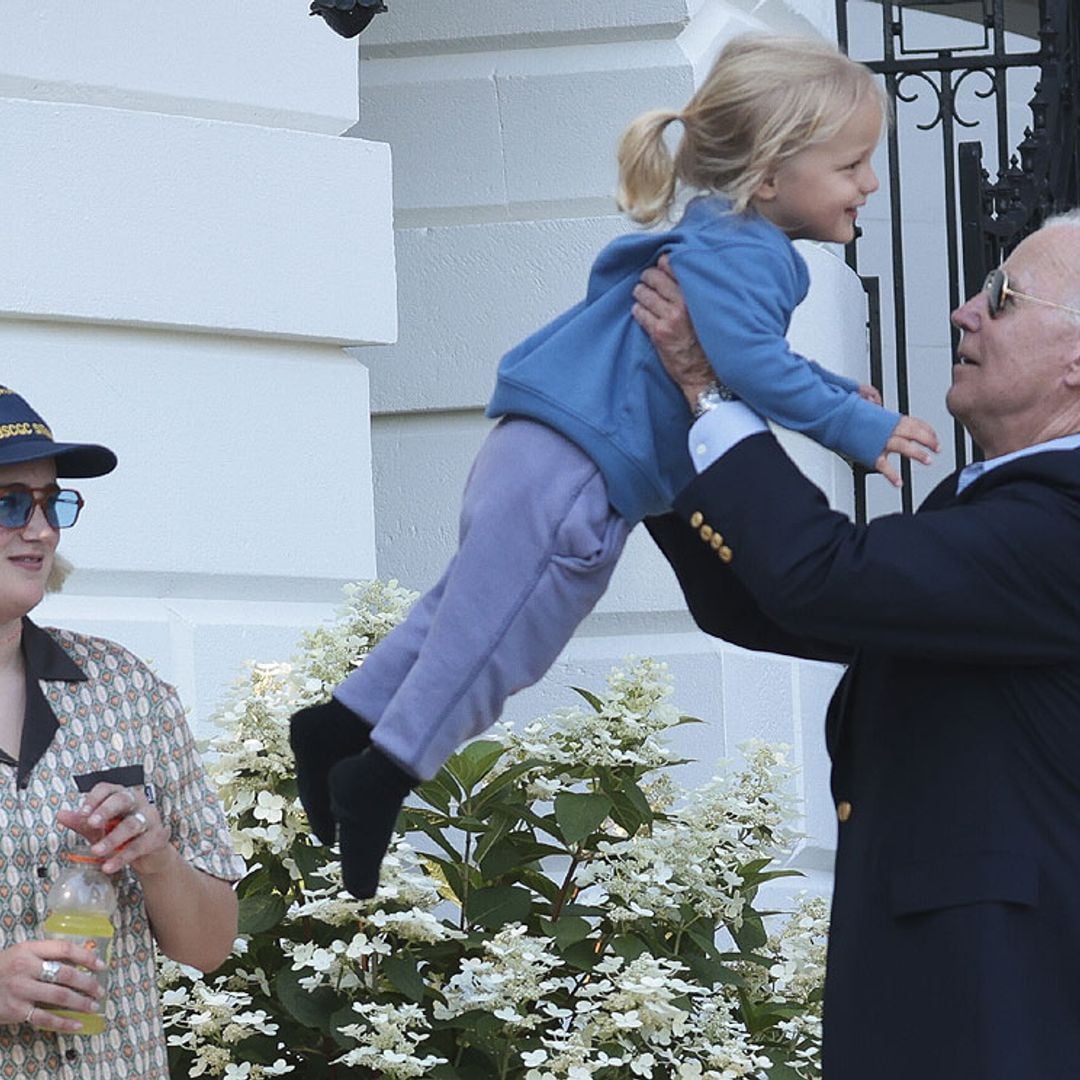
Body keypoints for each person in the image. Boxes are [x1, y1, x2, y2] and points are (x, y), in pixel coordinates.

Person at [288, 33, 940, 900]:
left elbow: (740, 352)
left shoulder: (720, 237)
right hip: (574, 470)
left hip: (542, 447)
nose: (870, 183)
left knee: (460, 613)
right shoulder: (755, 256)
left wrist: (831, 390)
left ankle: (339, 724)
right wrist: (856, 424)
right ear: (773, 173)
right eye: (854, 165)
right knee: (497, 642)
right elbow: (748, 365)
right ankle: (383, 775)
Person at [632, 210, 1080, 1078]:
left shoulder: (1061, 521)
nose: (964, 310)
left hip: (1010, 1009)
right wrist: (659, 441)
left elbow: (825, 579)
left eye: (1004, 296)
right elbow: (788, 608)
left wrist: (710, 392)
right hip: (952, 995)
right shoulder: (1000, 502)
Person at [0, 387, 244, 1078]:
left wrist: (159, 858)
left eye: (52, 503)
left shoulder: (124, 688)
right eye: (10, 503)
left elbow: (210, 945)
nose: (41, 529)